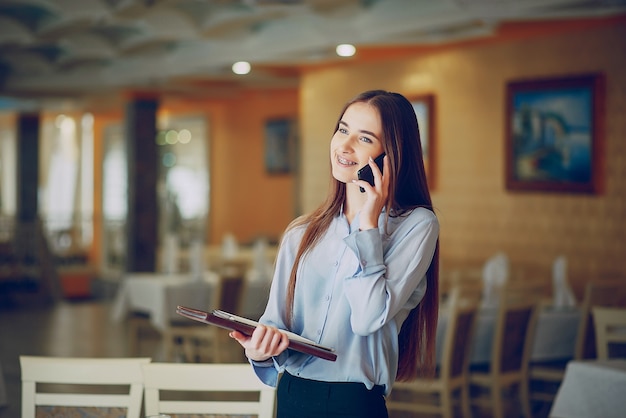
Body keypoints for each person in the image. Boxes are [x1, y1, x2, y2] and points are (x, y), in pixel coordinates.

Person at [230, 89, 440, 418]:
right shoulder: (301, 233)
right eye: (342, 130)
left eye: (364, 138)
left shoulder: (416, 225)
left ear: (390, 154)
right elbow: (275, 323)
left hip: (353, 402)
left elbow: (368, 317)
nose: (344, 146)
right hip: (291, 394)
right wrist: (260, 351)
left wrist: (366, 224)